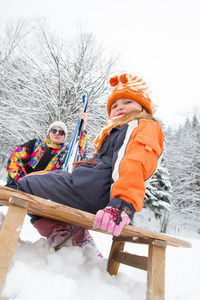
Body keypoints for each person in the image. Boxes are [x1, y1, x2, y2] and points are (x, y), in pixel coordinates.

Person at [17, 73, 165, 252]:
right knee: (38, 178)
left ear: (144, 107)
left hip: (101, 195)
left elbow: (135, 165)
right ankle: (71, 234)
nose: (120, 108)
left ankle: (66, 233)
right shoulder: (119, 131)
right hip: (89, 188)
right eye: (115, 105)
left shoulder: (142, 126)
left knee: (28, 184)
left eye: (128, 102)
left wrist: (122, 205)